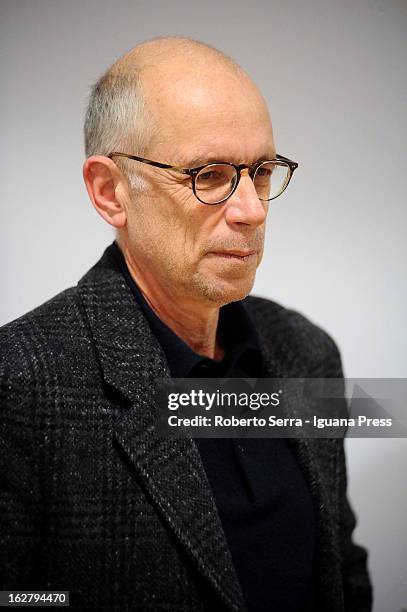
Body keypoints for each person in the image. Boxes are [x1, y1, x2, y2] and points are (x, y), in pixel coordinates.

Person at [0, 37, 372, 611]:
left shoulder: (307, 351)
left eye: (261, 171)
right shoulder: (22, 381)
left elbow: (342, 572)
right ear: (110, 192)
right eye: (210, 175)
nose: (251, 210)